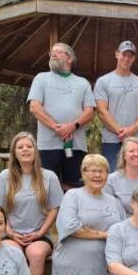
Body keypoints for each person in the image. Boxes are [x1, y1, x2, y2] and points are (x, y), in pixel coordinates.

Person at [0, 132, 64, 275]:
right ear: (14, 152)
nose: (25, 150)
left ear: (35, 150)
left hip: (39, 233)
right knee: (14, 254)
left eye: (29, 146)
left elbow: (55, 208)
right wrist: (10, 232)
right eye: (20, 147)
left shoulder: (49, 177)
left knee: (37, 254)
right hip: (11, 233)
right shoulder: (6, 177)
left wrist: (40, 232)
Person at [27, 42, 96, 190]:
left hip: (75, 146)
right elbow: (34, 107)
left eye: (58, 52)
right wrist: (57, 128)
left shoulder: (83, 83)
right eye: (51, 52)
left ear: (70, 58)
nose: (53, 54)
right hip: (47, 146)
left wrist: (72, 126)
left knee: (75, 186)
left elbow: (90, 112)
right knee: (46, 187)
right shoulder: (41, 78)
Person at [94, 40, 138, 169]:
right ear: (117, 54)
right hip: (111, 140)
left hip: (135, 141)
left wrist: (131, 130)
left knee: (136, 176)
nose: (126, 58)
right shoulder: (103, 81)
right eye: (123, 54)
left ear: (134, 58)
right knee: (111, 177)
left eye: (130, 55)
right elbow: (101, 111)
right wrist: (119, 131)